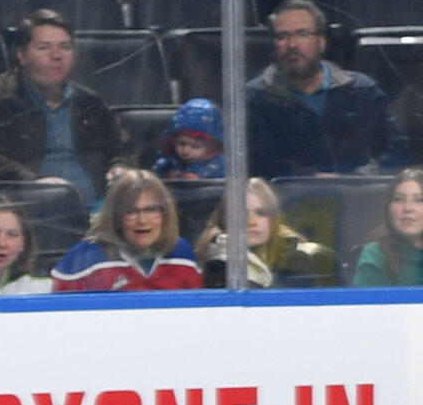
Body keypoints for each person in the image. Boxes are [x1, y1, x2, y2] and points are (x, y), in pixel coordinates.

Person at [0, 10, 136, 213]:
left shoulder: (90, 102)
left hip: (99, 217)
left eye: (65, 47)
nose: (57, 56)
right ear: (22, 55)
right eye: (44, 48)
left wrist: (119, 165)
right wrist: (33, 183)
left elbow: (122, 147)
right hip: (26, 215)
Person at [245, 0, 409, 179]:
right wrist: (312, 179)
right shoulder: (256, 97)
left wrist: (360, 179)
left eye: (302, 34)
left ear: (321, 42)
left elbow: (397, 147)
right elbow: (258, 161)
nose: (292, 44)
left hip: (363, 197)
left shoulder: (362, 90)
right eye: (282, 36)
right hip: (286, 200)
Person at [51, 170, 205, 291]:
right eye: (131, 211)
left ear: (165, 214)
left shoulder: (183, 255)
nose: (142, 221)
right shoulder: (86, 258)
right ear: (116, 217)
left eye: (151, 210)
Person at [196, 176, 335, 287]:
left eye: (261, 213)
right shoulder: (217, 266)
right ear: (224, 218)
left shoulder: (299, 261)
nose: (252, 222)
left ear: (274, 218)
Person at [153, 98, 227, 182]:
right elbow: (155, 175)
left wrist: (197, 176)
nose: (185, 151)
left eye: (195, 146)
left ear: (213, 147)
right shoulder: (172, 161)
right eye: (181, 144)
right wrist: (163, 172)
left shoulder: (219, 164)